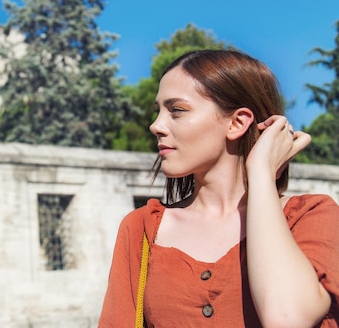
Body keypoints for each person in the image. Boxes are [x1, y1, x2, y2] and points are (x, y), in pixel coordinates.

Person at [98, 49, 339, 328]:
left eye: (177, 110)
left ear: (237, 123)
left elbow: (287, 319)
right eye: (158, 111)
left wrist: (260, 173)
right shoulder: (141, 228)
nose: (155, 126)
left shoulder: (311, 217)